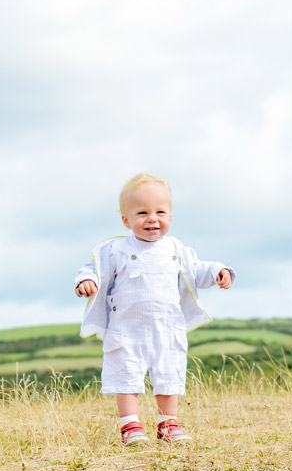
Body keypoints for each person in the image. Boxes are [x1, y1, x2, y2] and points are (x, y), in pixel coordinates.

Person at [75, 173, 234, 446]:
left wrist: (219, 270)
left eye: (160, 211)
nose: (152, 218)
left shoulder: (176, 248)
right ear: (126, 220)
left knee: (169, 371)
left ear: (170, 215)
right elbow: (94, 270)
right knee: (126, 372)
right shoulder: (116, 249)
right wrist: (86, 281)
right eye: (142, 212)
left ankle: (168, 424)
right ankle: (130, 426)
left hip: (167, 326)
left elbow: (196, 271)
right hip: (126, 327)